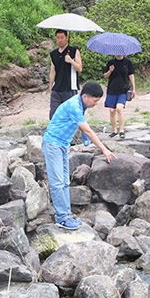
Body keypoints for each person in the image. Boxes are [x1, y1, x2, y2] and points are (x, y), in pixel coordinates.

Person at [42, 81, 116, 230]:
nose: (95, 104)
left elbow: (82, 127)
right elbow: (88, 129)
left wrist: (85, 137)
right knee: (57, 183)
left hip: (62, 145)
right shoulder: (74, 106)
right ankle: (61, 218)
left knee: (64, 182)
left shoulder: (81, 104)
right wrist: (104, 149)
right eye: (94, 101)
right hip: (52, 145)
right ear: (85, 96)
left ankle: (66, 215)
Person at [48, 29, 82, 120]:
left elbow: (80, 69)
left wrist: (71, 61)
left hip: (70, 88)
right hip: (56, 89)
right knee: (54, 115)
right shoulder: (53, 54)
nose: (60, 40)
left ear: (67, 38)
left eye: (62, 37)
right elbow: (52, 71)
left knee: (70, 115)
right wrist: (50, 86)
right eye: (58, 38)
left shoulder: (74, 51)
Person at [102, 54, 135, 139]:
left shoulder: (128, 62)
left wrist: (133, 88)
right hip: (112, 89)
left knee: (119, 108)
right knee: (112, 110)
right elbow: (105, 76)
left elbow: (131, 75)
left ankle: (121, 130)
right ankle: (114, 131)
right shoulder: (111, 62)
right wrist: (110, 70)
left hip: (123, 90)